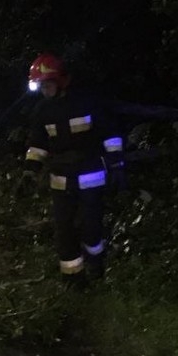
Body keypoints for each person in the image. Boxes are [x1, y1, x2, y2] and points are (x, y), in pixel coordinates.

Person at [23, 53, 124, 283]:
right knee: (64, 232)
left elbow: (110, 134)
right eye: (40, 86)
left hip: (90, 174)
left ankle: (96, 267)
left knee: (91, 228)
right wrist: (30, 170)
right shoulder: (42, 111)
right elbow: (37, 145)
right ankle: (72, 281)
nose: (44, 90)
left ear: (60, 82)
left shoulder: (86, 103)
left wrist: (117, 164)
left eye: (46, 85)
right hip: (60, 179)